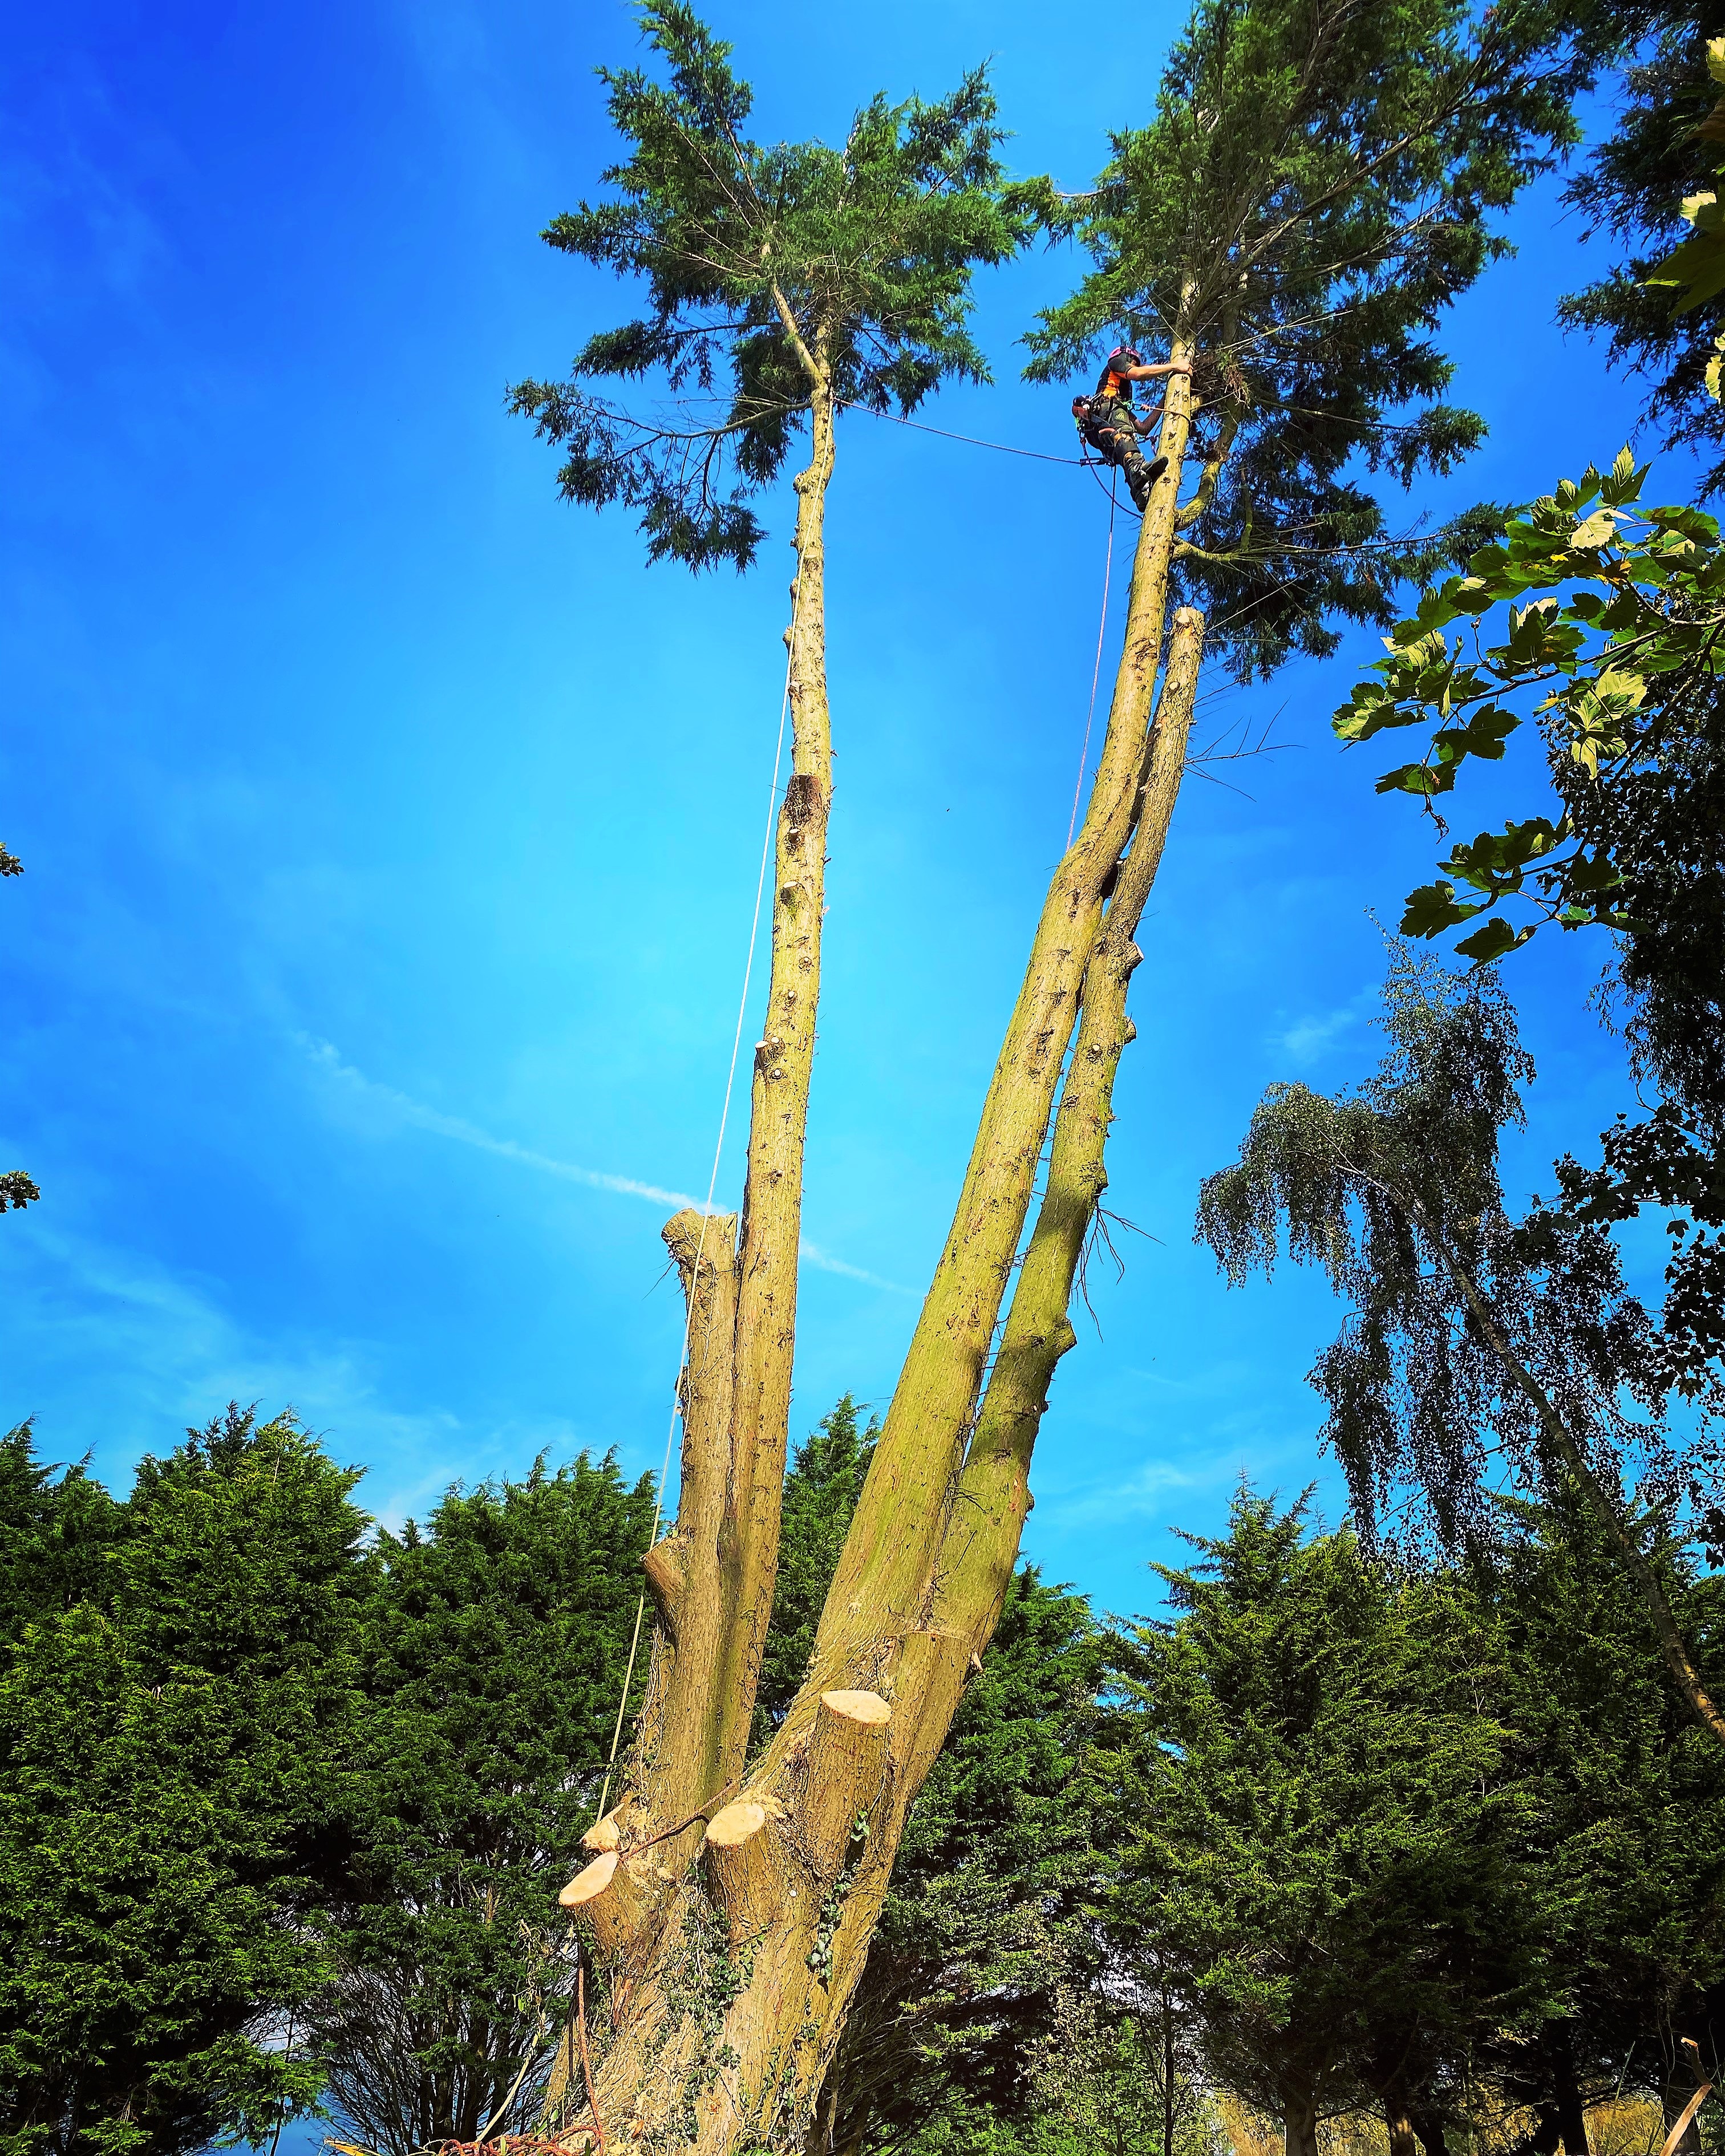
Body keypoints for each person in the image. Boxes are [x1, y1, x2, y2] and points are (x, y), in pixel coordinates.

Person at [1072, 346, 1193, 509]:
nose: (1135, 365)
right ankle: (1138, 470)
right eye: (1133, 361)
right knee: (1124, 436)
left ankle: (1139, 492)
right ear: (1125, 357)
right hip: (1105, 415)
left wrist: (1166, 398)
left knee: (1124, 448)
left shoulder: (1121, 401)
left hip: (1100, 431)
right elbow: (1137, 374)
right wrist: (1175, 366)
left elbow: (1144, 428)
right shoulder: (1114, 364)